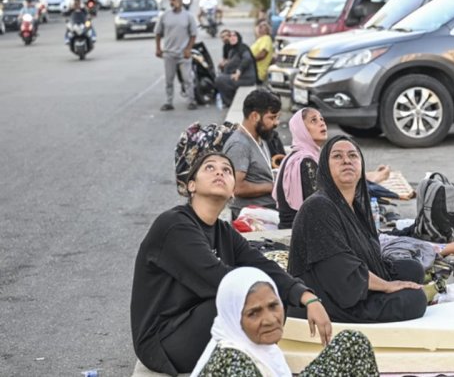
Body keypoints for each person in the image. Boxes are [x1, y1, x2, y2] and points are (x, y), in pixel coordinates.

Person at [131, 152, 331, 375]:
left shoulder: (223, 230)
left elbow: (262, 265)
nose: (219, 172)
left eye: (226, 170)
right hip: (164, 339)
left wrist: (306, 297)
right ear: (191, 185)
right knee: (242, 299)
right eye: (210, 167)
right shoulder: (174, 225)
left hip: (198, 320)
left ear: (233, 191)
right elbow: (218, 279)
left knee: (273, 292)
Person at [288, 135, 428, 323]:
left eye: (353, 155)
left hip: (352, 283)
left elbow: (368, 256)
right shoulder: (318, 206)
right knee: (415, 300)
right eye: (337, 156)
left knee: (412, 269)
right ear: (325, 168)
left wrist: (391, 280)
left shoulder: (355, 207)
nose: (347, 161)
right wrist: (387, 286)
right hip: (331, 299)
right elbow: (338, 267)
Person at [191, 267, 379, 377]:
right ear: (234, 320)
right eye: (253, 313)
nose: (270, 320)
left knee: (352, 342)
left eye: (273, 306)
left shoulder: (258, 348)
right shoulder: (233, 361)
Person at [223, 89, 283, 219]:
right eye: (272, 118)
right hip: (253, 216)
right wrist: (273, 186)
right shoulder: (239, 145)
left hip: (269, 207)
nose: (276, 123)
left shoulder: (259, 137)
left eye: (277, 118)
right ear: (255, 116)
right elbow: (237, 188)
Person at [274, 108, 328, 229]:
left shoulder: (296, 156)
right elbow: (319, 208)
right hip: (298, 231)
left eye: (322, 119)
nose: (322, 123)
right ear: (301, 129)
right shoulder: (304, 162)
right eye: (314, 120)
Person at [155, 0, 198, 111]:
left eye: (173, 0)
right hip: (169, 53)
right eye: (170, 0)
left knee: (187, 78)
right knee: (169, 79)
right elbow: (158, 33)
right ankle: (168, 102)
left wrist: (188, 49)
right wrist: (158, 48)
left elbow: (193, 35)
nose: (171, 2)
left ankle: (191, 100)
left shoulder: (188, 16)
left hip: (183, 53)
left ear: (180, 1)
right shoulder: (165, 16)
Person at [215, 30, 257, 107]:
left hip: (246, 78)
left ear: (238, 37)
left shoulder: (242, 48)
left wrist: (238, 71)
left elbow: (247, 59)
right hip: (240, 77)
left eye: (234, 36)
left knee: (219, 79)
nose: (232, 38)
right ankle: (228, 100)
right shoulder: (232, 50)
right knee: (221, 77)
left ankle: (229, 102)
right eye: (230, 36)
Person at [251, 20, 274, 85]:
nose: (260, 28)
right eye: (259, 26)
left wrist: (249, 60)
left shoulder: (266, 38)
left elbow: (262, 54)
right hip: (252, 70)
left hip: (257, 72)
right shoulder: (260, 39)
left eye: (263, 26)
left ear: (267, 29)